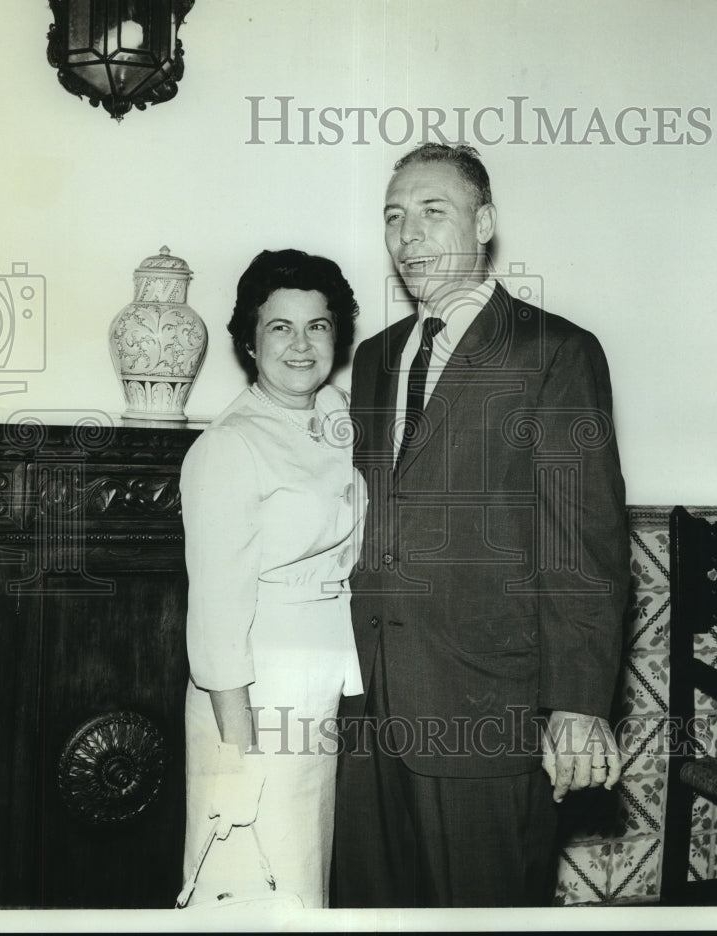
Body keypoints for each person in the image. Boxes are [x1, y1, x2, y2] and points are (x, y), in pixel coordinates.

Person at [332, 144, 630, 908]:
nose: (409, 236)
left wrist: (577, 705)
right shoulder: (373, 359)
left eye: (433, 212)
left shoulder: (554, 351)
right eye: (394, 217)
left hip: (487, 712)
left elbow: (583, 542)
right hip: (370, 708)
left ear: (485, 223)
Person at [179, 249, 365, 909]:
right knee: (253, 885)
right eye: (279, 326)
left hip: (315, 689)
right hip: (252, 703)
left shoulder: (333, 421)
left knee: (302, 880)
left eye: (317, 325)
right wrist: (237, 761)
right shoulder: (229, 447)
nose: (300, 342)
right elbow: (218, 626)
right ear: (250, 343)